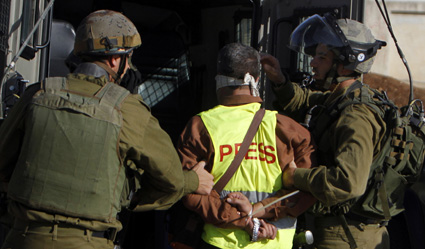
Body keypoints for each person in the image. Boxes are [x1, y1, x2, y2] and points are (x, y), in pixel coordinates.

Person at [0, 9, 214, 249]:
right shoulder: (128, 109)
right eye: (129, 57)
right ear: (115, 60)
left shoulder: (37, 94)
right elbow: (172, 181)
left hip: (22, 239)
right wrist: (194, 181)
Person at [261, 13, 389, 249]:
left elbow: (348, 182)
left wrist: (295, 176)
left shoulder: (356, 115)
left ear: (344, 64)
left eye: (322, 57)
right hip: (337, 230)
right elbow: (306, 100)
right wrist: (279, 80)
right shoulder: (339, 99)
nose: (313, 63)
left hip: (346, 235)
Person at [178, 42, 317, 249]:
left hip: (220, 243)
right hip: (275, 243)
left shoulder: (200, 126)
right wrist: (259, 211)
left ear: (218, 79)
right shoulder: (290, 131)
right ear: (256, 80)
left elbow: (187, 189)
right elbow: (308, 189)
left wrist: (244, 220)